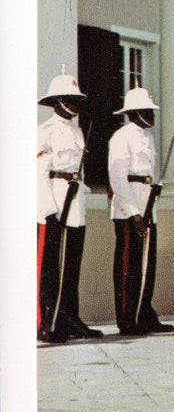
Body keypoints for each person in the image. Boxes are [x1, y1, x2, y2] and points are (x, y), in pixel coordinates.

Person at [37, 71, 102, 342]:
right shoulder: (45, 132)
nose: (74, 104)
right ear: (56, 102)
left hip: (75, 202)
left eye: (76, 99)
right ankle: (47, 323)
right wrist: (49, 209)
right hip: (55, 200)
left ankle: (69, 318)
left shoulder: (77, 132)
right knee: (51, 267)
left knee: (71, 265)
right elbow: (39, 174)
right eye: (68, 99)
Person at [108, 87, 174, 336]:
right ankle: (127, 319)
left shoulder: (147, 137)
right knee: (129, 266)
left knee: (147, 264)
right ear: (135, 112)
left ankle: (144, 313)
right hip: (130, 207)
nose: (152, 114)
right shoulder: (122, 136)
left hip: (147, 203)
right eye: (148, 110)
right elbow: (118, 177)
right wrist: (133, 211)